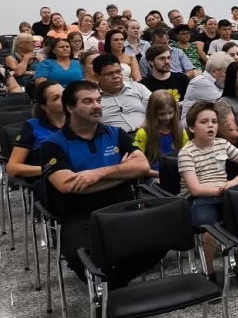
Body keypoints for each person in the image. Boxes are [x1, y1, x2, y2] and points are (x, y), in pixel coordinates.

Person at [40, 80, 159, 300]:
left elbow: (142, 166)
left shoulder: (115, 134)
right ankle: (111, 290)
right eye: (88, 101)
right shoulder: (53, 144)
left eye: (98, 100)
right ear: (70, 107)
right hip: (80, 217)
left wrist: (97, 174)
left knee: (162, 237)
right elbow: (67, 185)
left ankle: (109, 288)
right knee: (80, 257)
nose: (97, 106)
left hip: (124, 209)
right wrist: (122, 172)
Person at [179, 101, 238, 279]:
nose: (211, 126)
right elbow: (195, 189)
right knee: (209, 230)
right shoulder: (186, 153)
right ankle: (208, 271)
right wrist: (222, 190)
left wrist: (233, 182)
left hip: (226, 192)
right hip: (200, 199)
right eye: (204, 122)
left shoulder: (222, 144)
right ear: (192, 128)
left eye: (214, 122)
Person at [6, 81, 66, 182]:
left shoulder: (79, 122)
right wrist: (48, 169)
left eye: (65, 94)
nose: (64, 99)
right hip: (47, 182)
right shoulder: (32, 126)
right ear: (44, 107)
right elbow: (12, 168)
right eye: (56, 98)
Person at [133, 90, 187, 179]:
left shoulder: (181, 131)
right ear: (152, 113)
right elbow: (138, 163)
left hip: (179, 174)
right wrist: (161, 176)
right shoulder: (143, 133)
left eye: (170, 112)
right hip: (153, 176)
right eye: (162, 114)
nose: (167, 117)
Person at [93, 54, 151, 132]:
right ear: (97, 77)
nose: (116, 76)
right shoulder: (93, 98)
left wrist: (146, 125)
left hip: (146, 134)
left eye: (118, 71)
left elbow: (155, 109)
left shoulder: (138, 88)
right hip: (115, 140)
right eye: (109, 74)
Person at [182, 52, 230, 123]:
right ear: (214, 71)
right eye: (227, 73)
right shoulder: (200, 82)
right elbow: (226, 105)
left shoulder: (218, 83)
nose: (229, 77)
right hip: (190, 129)